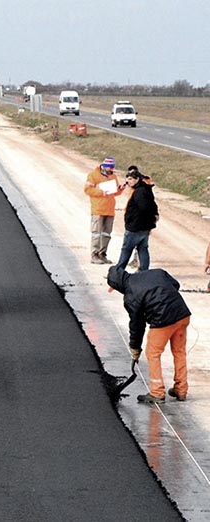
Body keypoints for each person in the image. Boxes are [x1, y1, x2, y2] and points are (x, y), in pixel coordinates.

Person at [107, 266, 192, 403]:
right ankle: (181, 389)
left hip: (163, 320)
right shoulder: (155, 272)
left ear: (118, 286)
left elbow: (137, 325)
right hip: (182, 314)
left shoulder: (130, 297)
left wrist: (135, 348)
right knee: (179, 351)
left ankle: (157, 392)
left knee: (153, 353)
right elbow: (175, 284)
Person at [115, 166, 158, 271]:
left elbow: (143, 208)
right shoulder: (147, 190)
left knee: (126, 250)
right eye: (127, 179)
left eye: (130, 179)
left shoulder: (139, 192)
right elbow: (153, 206)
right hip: (145, 227)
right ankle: (144, 272)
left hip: (135, 228)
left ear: (137, 179)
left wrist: (130, 221)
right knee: (143, 249)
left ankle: (118, 273)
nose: (127, 181)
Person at [84, 156, 124, 264]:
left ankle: (102, 254)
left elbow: (114, 192)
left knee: (106, 234)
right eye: (110, 168)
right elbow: (87, 190)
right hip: (98, 209)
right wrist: (101, 192)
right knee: (96, 233)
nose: (111, 170)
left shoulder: (113, 177)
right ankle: (94, 255)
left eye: (113, 167)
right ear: (104, 166)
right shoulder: (93, 175)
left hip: (110, 210)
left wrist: (120, 190)